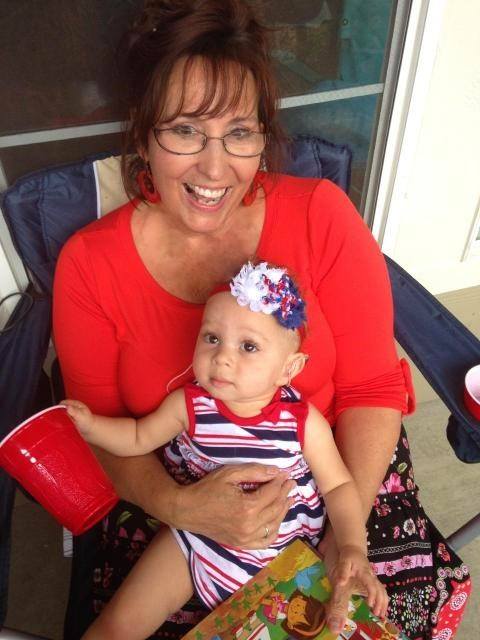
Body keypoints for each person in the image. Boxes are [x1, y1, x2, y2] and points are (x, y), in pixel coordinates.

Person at [52, 1, 470, 639]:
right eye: (185, 130)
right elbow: (103, 431)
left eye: (240, 133)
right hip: (172, 499)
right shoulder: (90, 265)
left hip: (336, 473)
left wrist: (339, 535)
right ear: (142, 134)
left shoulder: (320, 215)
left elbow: (372, 388)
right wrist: (183, 507)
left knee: (370, 617)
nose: (215, 168)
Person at [63, 262, 389, 640]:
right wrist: (92, 427)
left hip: (286, 546)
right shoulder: (189, 406)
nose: (222, 357)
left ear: (289, 368)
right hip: (199, 532)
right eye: (212, 338)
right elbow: (137, 437)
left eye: (248, 346)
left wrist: (351, 545)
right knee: (121, 622)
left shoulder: (301, 423)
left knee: (312, 625)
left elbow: (338, 486)